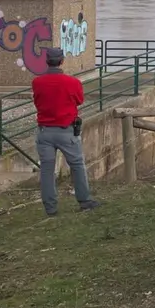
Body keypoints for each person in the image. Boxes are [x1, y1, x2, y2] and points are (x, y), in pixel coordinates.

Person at [31, 47, 100, 216]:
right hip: (66, 130)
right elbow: (79, 100)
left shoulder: (37, 82)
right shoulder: (72, 82)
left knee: (47, 170)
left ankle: (50, 208)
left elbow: (37, 101)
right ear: (62, 61)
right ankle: (84, 201)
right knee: (77, 165)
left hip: (44, 131)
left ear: (47, 61)